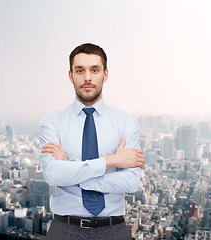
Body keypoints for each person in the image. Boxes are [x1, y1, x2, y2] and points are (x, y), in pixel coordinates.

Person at [40, 43, 145, 240]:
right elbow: (53, 175)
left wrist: (71, 172)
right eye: (80, 70)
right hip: (64, 229)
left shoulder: (125, 121)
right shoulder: (52, 121)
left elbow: (131, 182)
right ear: (71, 76)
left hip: (114, 229)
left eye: (94, 70)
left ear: (105, 75)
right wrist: (112, 161)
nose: (87, 77)